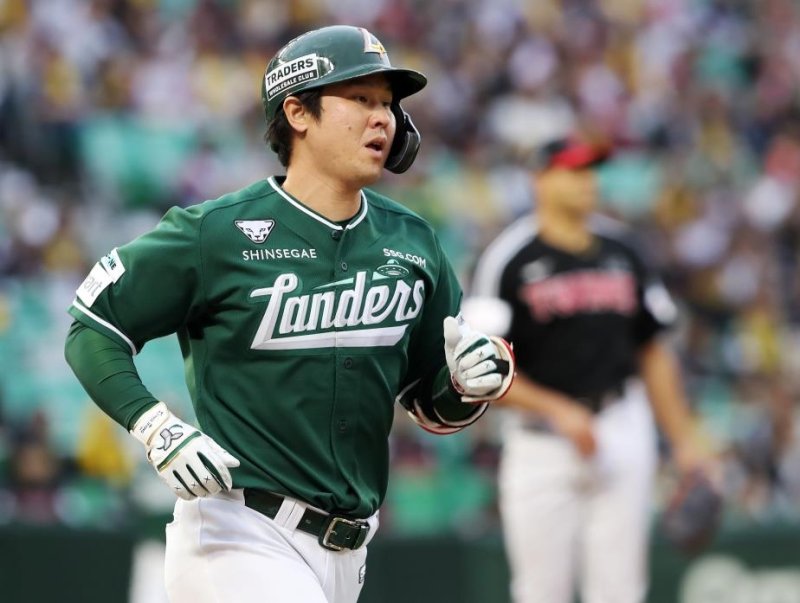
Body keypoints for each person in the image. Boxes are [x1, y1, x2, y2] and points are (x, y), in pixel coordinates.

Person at [63, 25, 514, 603]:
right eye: (361, 99)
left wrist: (471, 385)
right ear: (298, 112)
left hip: (349, 551)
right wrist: (155, 426)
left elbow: (429, 400)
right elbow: (92, 325)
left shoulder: (413, 240)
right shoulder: (217, 232)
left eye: (387, 104)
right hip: (238, 531)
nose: (383, 119)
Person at [463, 136, 713, 603]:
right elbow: (478, 367)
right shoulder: (509, 257)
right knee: (541, 592)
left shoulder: (625, 249)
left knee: (621, 591)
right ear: (539, 180)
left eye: (591, 171)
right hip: (540, 440)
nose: (587, 182)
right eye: (573, 171)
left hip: (621, 423)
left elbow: (653, 351)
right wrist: (556, 408)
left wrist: (683, 441)